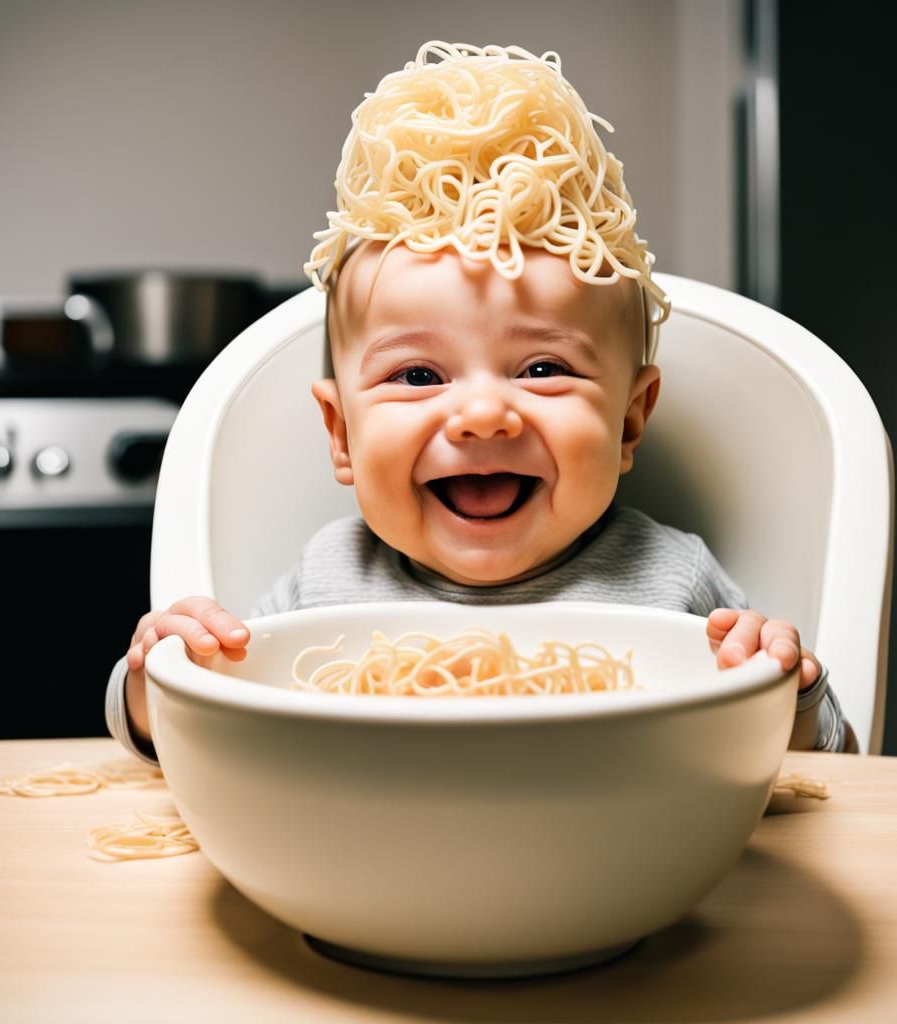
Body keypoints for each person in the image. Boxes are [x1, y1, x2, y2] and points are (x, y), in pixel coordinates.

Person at [106, 42, 854, 762]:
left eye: (541, 368)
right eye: (420, 377)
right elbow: (197, 736)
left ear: (630, 421)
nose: (484, 414)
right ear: (340, 435)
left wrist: (785, 694)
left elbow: (831, 756)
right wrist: (158, 684)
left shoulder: (671, 580)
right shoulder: (326, 581)